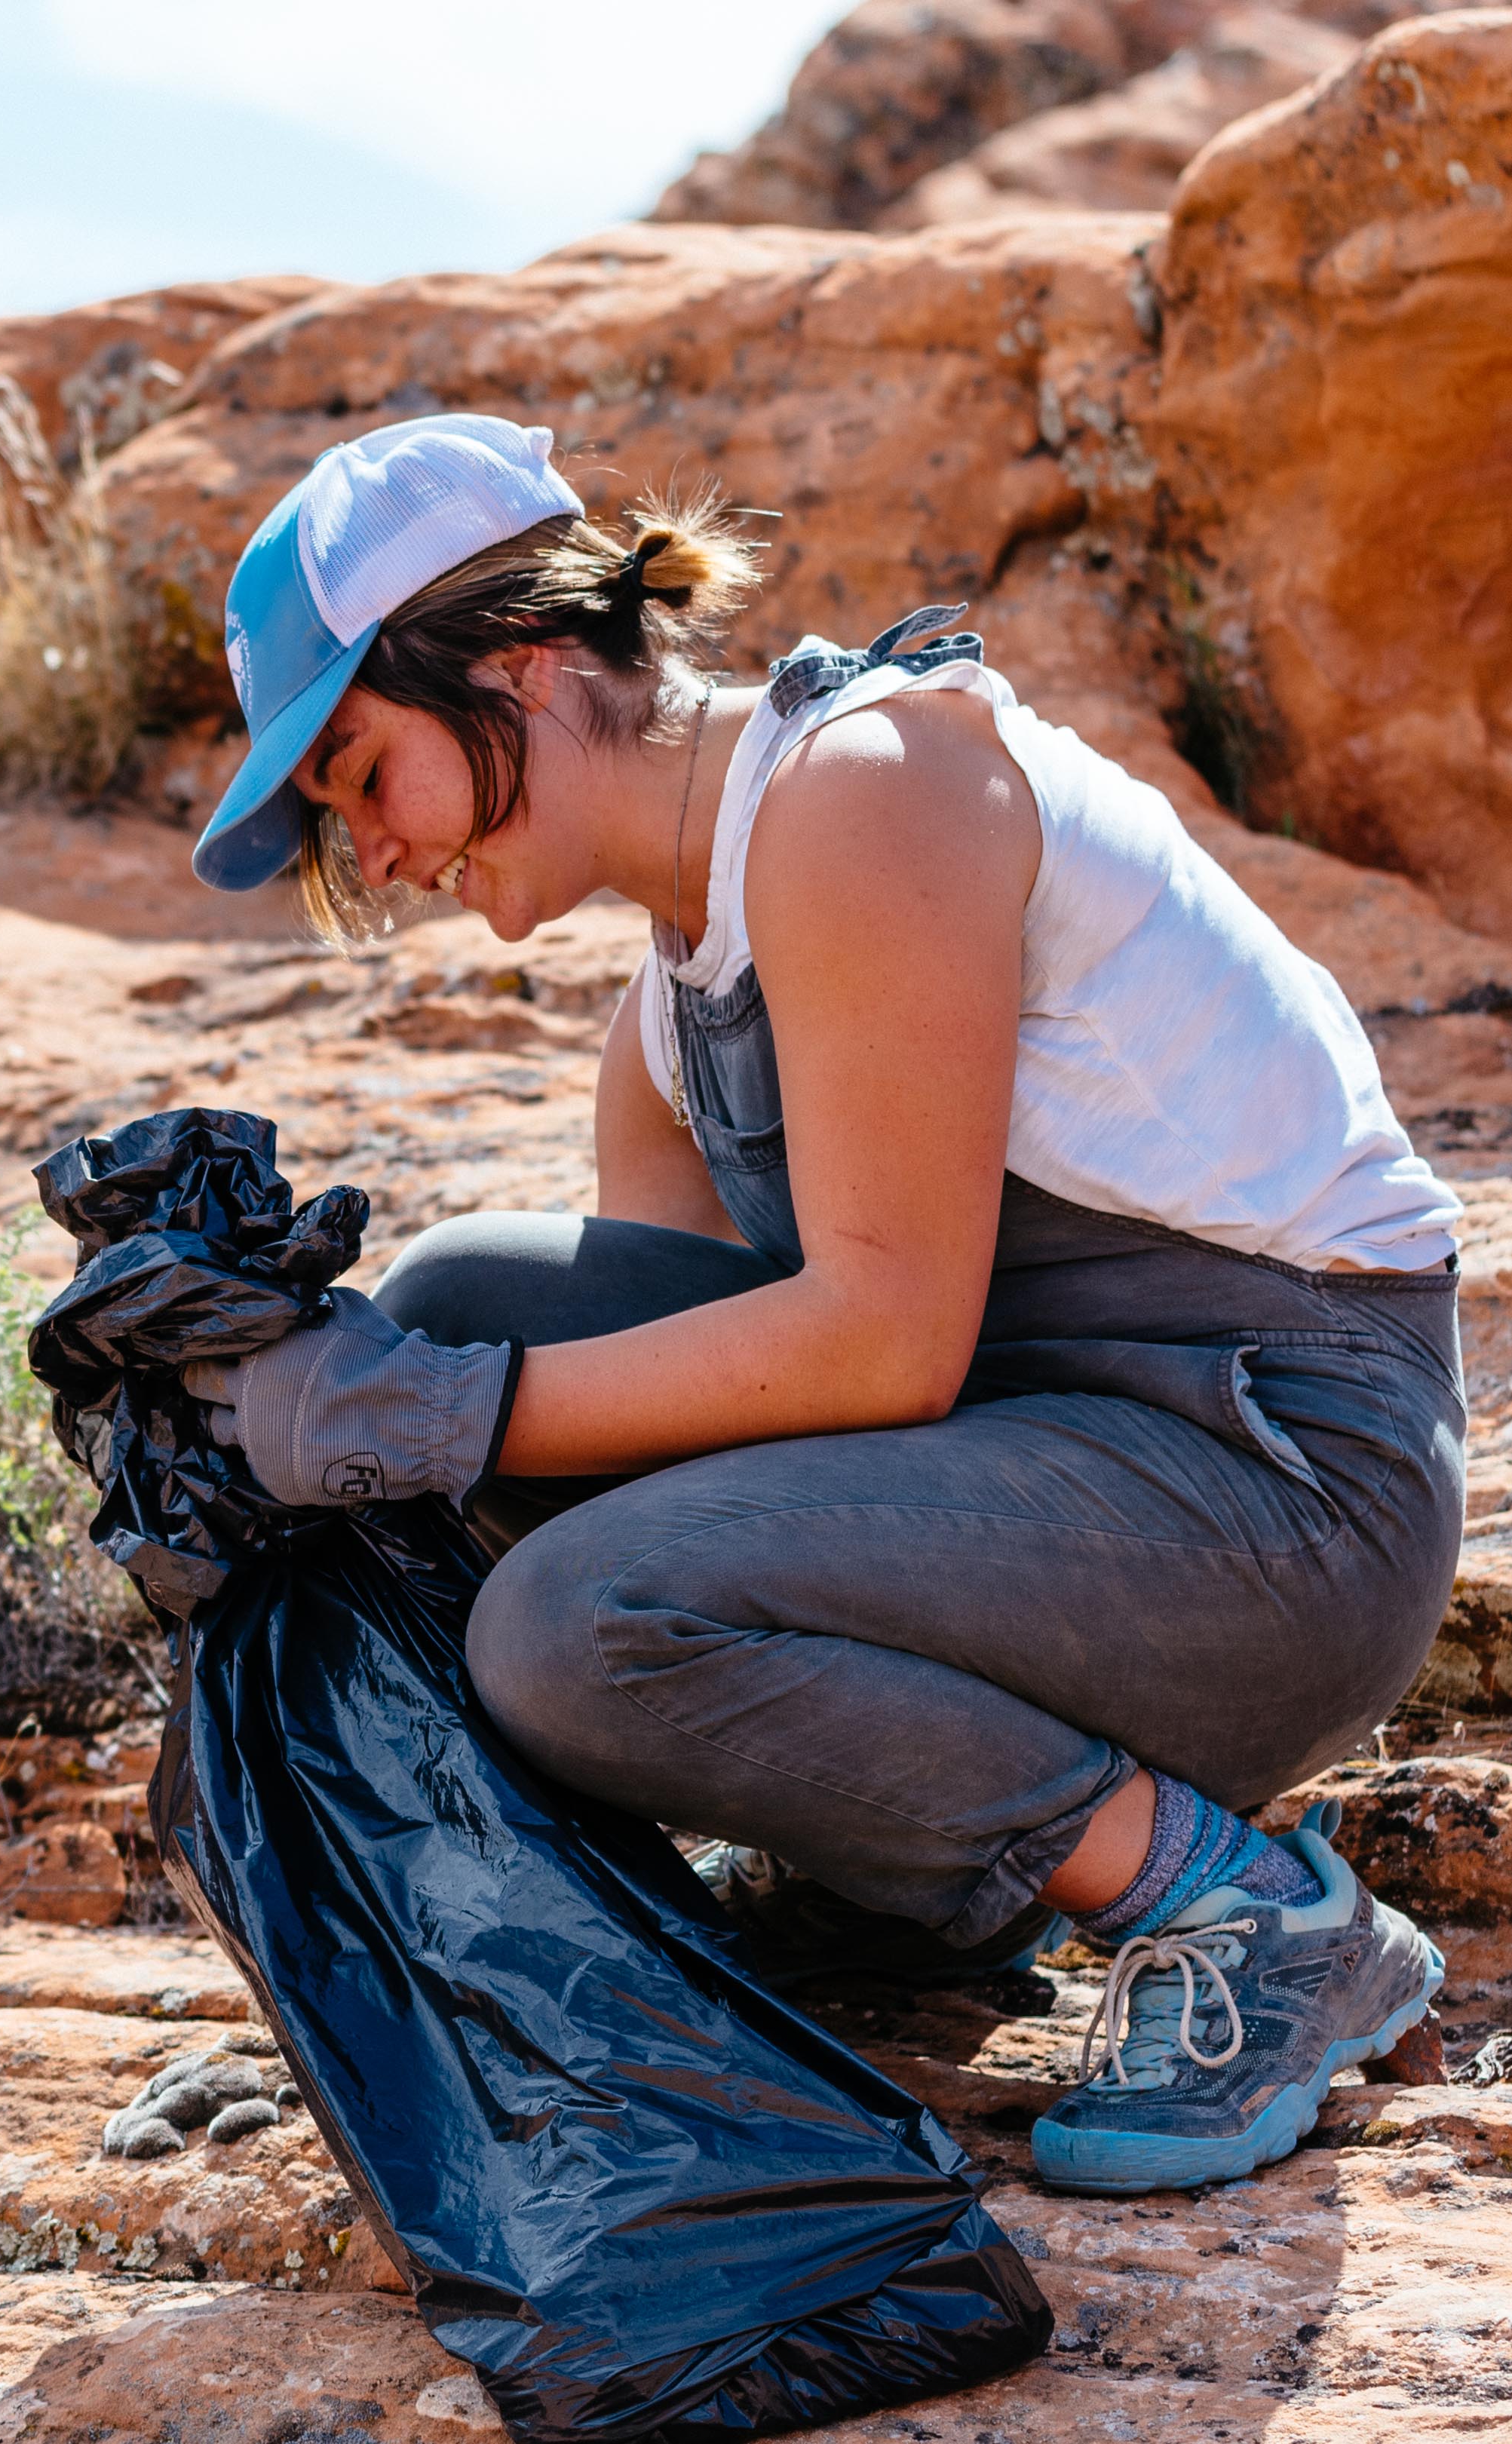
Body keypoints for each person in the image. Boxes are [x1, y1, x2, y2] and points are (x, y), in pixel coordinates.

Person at [172, 414, 1458, 2196]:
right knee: (469, 1296)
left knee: (565, 1610)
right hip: (1071, 1495)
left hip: (1289, 1486)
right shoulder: (666, 1015)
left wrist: (423, 1417)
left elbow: (876, 1346)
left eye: (362, 776)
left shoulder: (869, 789)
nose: (369, 858)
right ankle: (879, 1893)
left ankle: (1251, 1916)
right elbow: (689, 1434)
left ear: (523, 670)